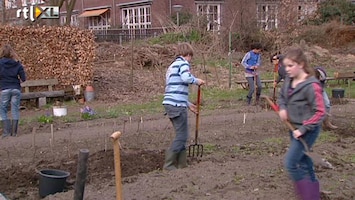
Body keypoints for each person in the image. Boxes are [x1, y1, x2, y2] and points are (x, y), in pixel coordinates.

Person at [278, 47, 325, 200]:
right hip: (293, 127)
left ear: (302, 65)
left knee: (291, 163)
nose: (287, 69)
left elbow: (320, 112)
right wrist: (283, 108)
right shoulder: (288, 81)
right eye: (286, 66)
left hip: (308, 130)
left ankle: (308, 196)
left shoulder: (312, 86)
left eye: (291, 66)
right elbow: (282, 97)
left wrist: (304, 128)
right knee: (303, 160)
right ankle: (314, 193)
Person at [162, 42, 205, 170]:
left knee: (181, 134)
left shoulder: (172, 66)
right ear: (188, 55)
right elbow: (186, 78)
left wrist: (188, 104)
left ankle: (182, 163)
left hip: (171, 103)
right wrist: (197, 81)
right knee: (182, 136)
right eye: (191, 56)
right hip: (176, 105)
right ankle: (168, 165)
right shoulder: (183, 64)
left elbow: (174, 88)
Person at [0, 44, 26, 138]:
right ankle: (14, 133)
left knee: (2, 109)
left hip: (5, 89)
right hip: (16, 89)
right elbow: (23, 78)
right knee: (15, 109)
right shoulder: (17, 63)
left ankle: (6, 132)